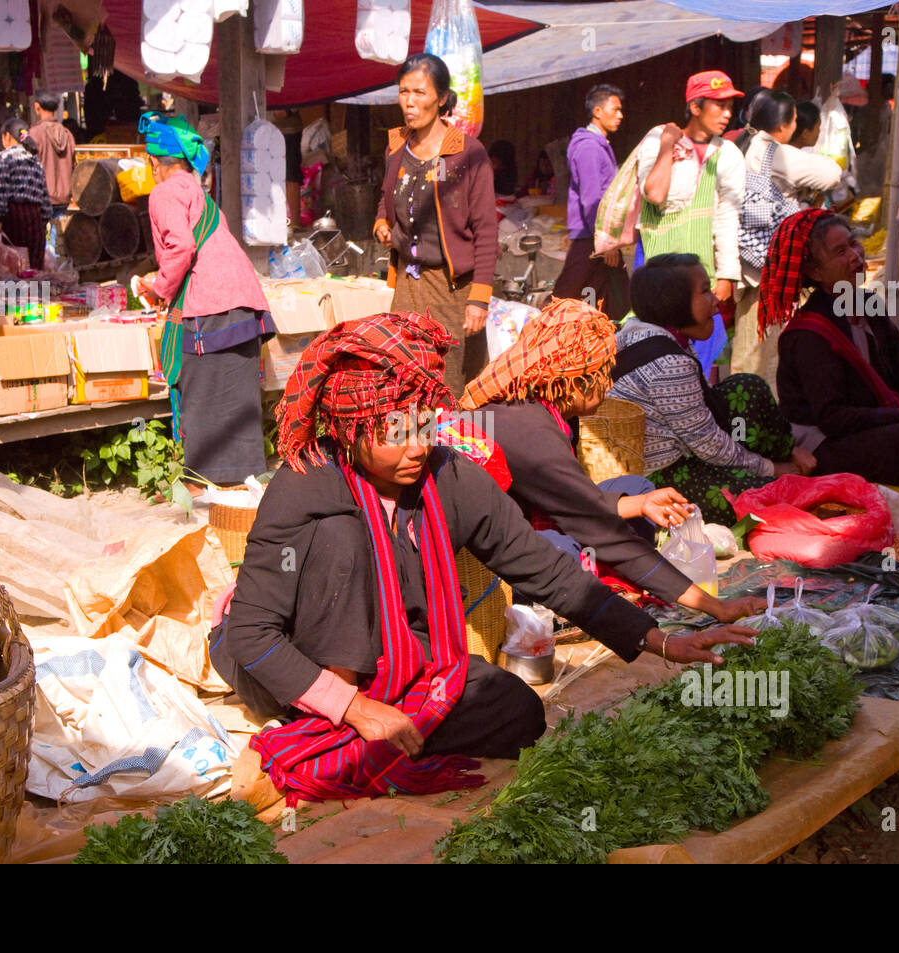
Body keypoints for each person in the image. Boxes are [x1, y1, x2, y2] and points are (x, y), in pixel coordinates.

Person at [215, 311, 756, 807]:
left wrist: (660, 639)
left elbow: (543, 568)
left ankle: (372, 731)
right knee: (342, 540)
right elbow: (253, 634)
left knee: (518, 713)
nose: (418, 447)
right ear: (352, 427)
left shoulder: (447, 477)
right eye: (397, 432)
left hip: (399, 667)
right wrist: (357, 707)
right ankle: (339, 723)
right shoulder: (305, 484)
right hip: (295, 661)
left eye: (424, 424)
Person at [456, 298, 768, 618]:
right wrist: (714, 606)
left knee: (637, 488)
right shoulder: (531, 433)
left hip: (524, 513)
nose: (609, 386)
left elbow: (573, 499)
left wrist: (643, 504)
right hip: (483, 554)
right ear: (577, 382)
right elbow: (601, 531)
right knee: (565, 550)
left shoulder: (539, 403)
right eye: (605, 374)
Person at [769, 210, 899, 488]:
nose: (856, 256)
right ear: (814, 271)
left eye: (854, 243)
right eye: (840, 251)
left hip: (868, 423)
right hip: (824, 443)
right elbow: (834, 418)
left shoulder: (868, 305)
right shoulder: (809, 335)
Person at [610, 254, 815, 524]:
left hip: (687, 447)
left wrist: (784, 453)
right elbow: (709, 445)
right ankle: (783, 467)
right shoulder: (670, 363)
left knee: (747, 389)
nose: (717, 301)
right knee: (765, 495)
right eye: (705, 292)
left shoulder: (644, 330)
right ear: (674, 304)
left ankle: (787, 454)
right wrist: (772, 469)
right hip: (659, 476)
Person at [131, 113, 275, 488]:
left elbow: (182, 245)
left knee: (202, 395)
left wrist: (159, 286)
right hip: (243, 304)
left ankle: (199, 483)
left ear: (154, 163)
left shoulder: (164, 192)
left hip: (210, 309)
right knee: (238, 400)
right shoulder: (197, 191)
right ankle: (242, 481)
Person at [373, 53, 498, 402]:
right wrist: (382, 222)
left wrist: (480, 299)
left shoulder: (467, 155)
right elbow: (387, 196)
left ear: (441, 98)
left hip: (452, 291)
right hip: (407, 286)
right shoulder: (396, 147)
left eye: (420, 93)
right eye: (403, 92)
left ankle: (458, 454)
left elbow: (487, 230)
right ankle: (414, 453)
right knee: (405, 377)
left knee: (452, 385)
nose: (409, 102)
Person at [635, 70, 747, 377]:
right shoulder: (659, 140)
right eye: (718, 105)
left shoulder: (728, 155)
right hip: (655, 269)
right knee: (656, 346)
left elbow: (728, 216)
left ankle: (700, 409)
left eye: (730, 107)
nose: (727, 114)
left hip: (701, 272)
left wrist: (726, 274)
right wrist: (668, 145)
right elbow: (655, 193)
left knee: (702, 351)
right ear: (695, 107)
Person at [730, 90, 842, 387]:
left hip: (749, 264)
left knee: (751, 349)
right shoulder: (775, 153)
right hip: (768, 271)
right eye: (794, 119)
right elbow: (832, 175)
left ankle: (744, 416)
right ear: (783, 126)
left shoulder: (742, 146)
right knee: (764, 353)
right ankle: (759, 421)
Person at [555, 83, 630, 322]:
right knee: (565, 299)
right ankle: (542, 343)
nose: (621, 115)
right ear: (597, 112)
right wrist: (605, 242)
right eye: (615, 109)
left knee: (609, 300)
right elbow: (592, 199)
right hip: (591, 237)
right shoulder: (588, 147)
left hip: (599, 237)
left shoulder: (600, 145)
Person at [0, 120, 51, 269]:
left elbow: (1, 189)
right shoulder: (35, 161)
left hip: (14, 217)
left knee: (15, 265)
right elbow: (44, 195)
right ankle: (38, 292)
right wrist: (43, 222)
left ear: (8, 136)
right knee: (33, 266)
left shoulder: (4, 157)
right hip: (35, 217)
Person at [28, 92, 77, 222]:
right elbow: (74, 165)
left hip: (41, 195)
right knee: (59, 237)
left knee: (42, 237)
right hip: (64, 196)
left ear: (37, 106)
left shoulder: (34, 133)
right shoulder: (67, 134)